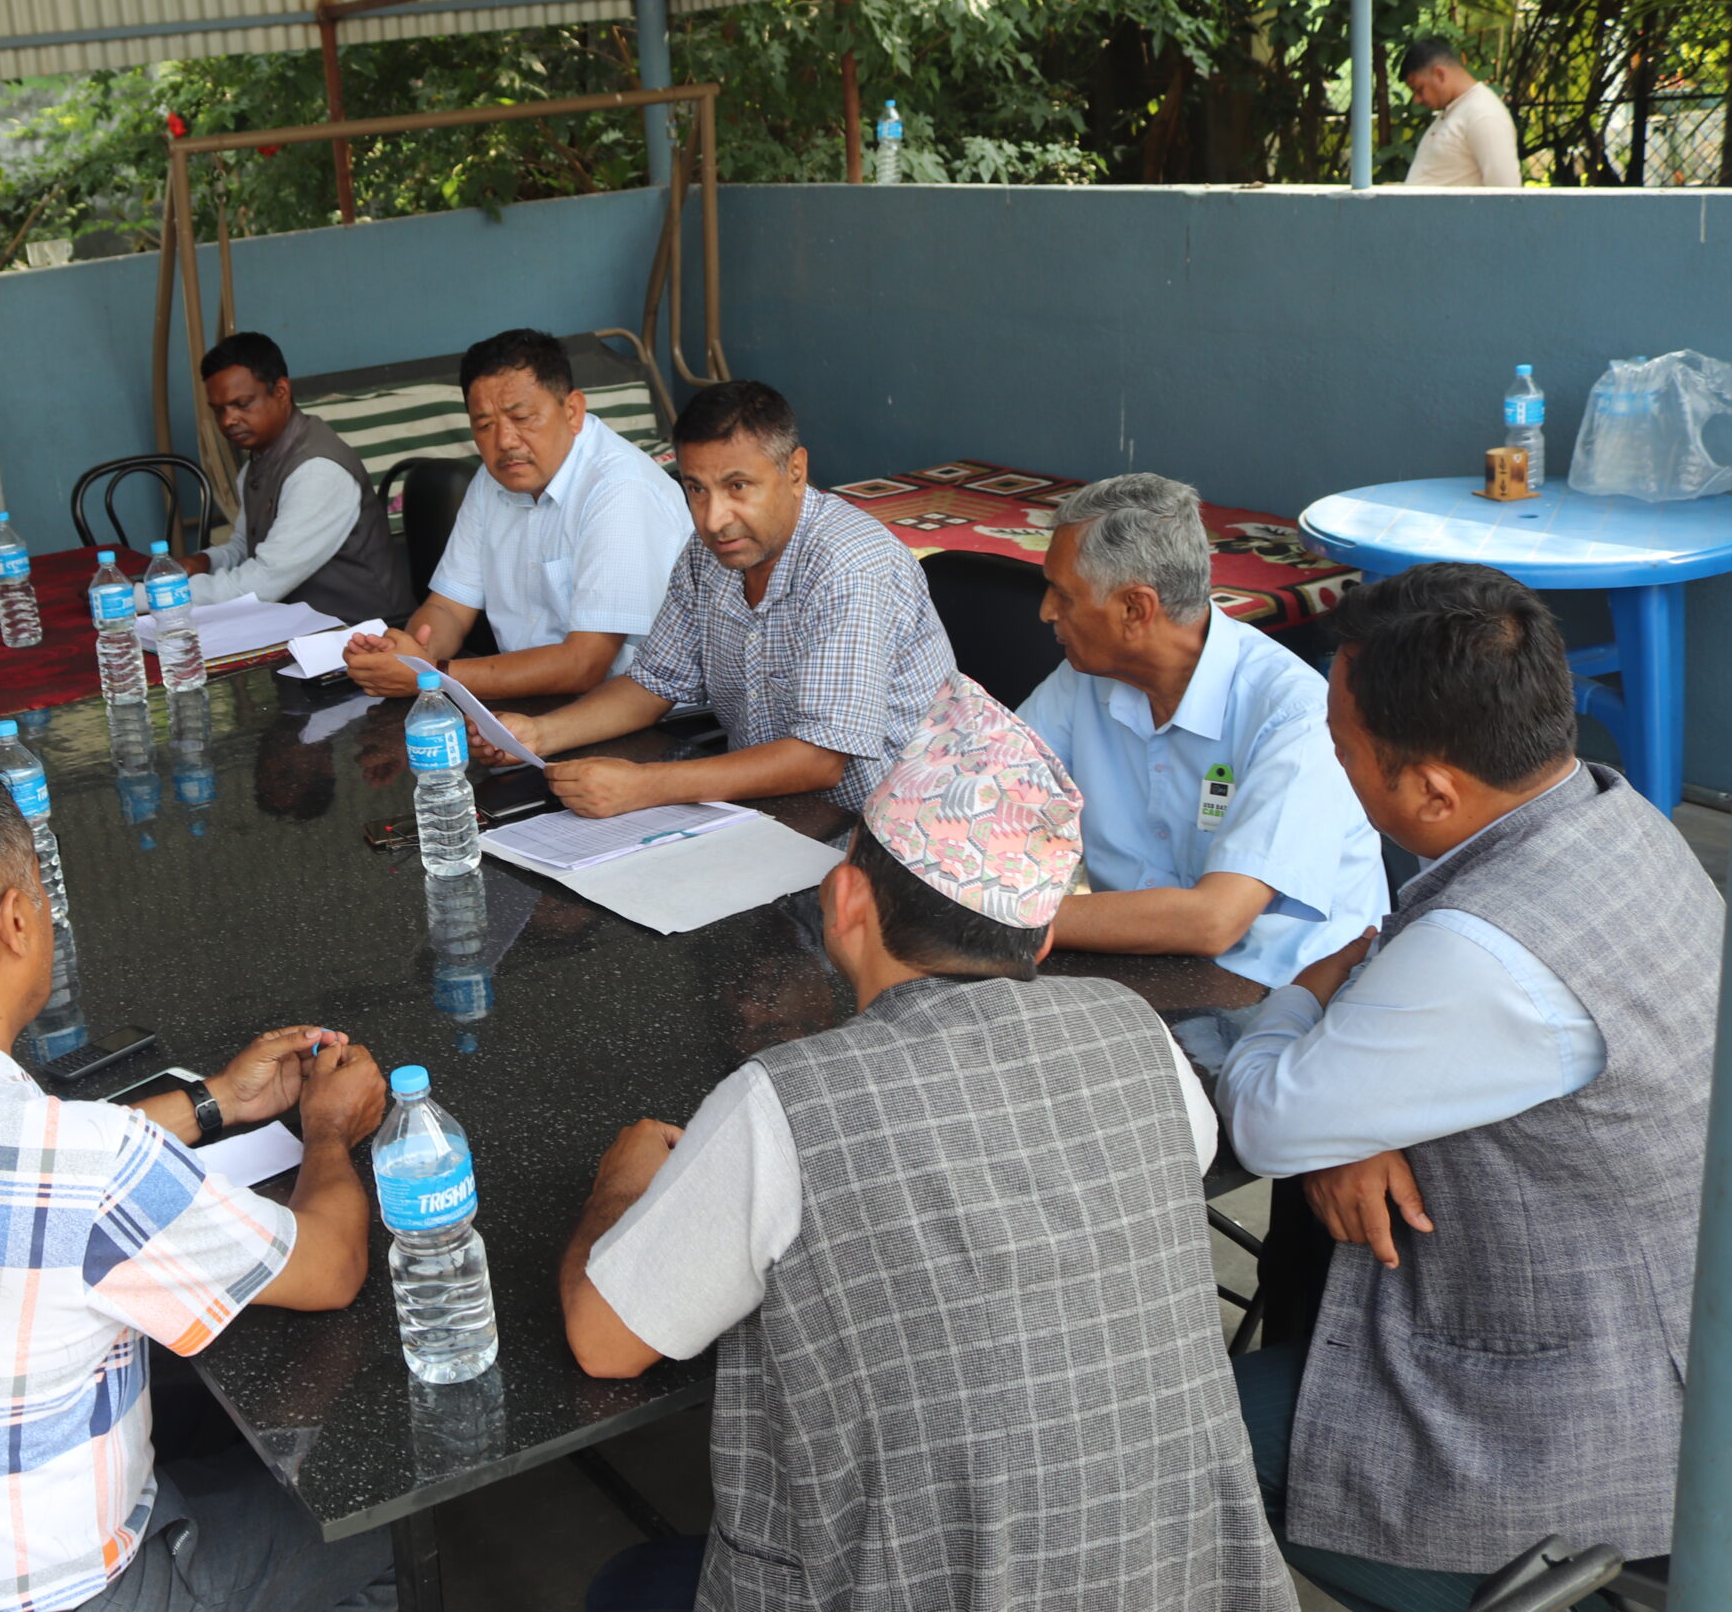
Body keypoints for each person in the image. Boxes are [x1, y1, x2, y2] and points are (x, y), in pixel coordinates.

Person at [557, 673, 1288, 1612]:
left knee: (624, 1583)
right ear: (1042, 934)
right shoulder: (1139, 1035)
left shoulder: (785, 1100)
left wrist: (619, 1187)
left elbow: (604, 1343)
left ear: (845, 898)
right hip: (1193, 1583)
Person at [0, 758, 398, 1612]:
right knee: (386, 1528)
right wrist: (327, 1128)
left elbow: (5, 1156)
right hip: (65, 1600)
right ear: (16, 919)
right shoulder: (87, 1163)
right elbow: (331, 1265)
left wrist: (216, 1100)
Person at [1218, 563, 1717, 1612]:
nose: (1334, 765)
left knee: (1180, 1433)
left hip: (1586, 1415)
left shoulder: (1485, 954)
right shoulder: (1613, 811)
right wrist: (1353, 1122)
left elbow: (1264, 1119)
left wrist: (1304, 992)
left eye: (1343, 750)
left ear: (1435, 791)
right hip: (1664, 1318)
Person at [477, 380, 954, 817]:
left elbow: (820, 759)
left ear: (795, 471)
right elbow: (654, 683)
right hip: (774, 812)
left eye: (737, 486)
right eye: (696, 489)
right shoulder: (707, 556)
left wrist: (645, 785)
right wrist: (539, 733)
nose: (713, 518)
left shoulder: (849, 566)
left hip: (894, 831)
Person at [1018, 474, 1388, 990]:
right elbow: (991, 793)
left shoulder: (1294, 715)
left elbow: (1214, 920)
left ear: (1135, 609)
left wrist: (1001, 922)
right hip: (1136, 969)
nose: (1046, 611)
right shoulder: (1083, 679)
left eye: (1063, 594)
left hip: (1281, 995)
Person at [345, 328, 688, 700]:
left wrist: (432, 676)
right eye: (484, 425)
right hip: (531, 699)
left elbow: (584, 664)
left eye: (522, 417)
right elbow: (448, 608)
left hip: (637, 712)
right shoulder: (492, 480)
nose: (505, 441)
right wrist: (407, 656)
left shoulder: (619, 488)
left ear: (572, 411)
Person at [159, 331, 408, 623]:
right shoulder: (259, 462)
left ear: (281, 392)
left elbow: (261, 583)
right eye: (218, 410)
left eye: (242, 404)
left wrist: (146, 597)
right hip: (306, 626)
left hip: (364, 632)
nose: (228, 420)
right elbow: (246, 547)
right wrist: (205, 561)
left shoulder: (317, 471)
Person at [1399, 38, 1521, 188]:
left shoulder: (1483, 114)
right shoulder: (1455, 109)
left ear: (1440, 74)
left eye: (1419, 89)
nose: (1417, 100)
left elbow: (1505, 192)